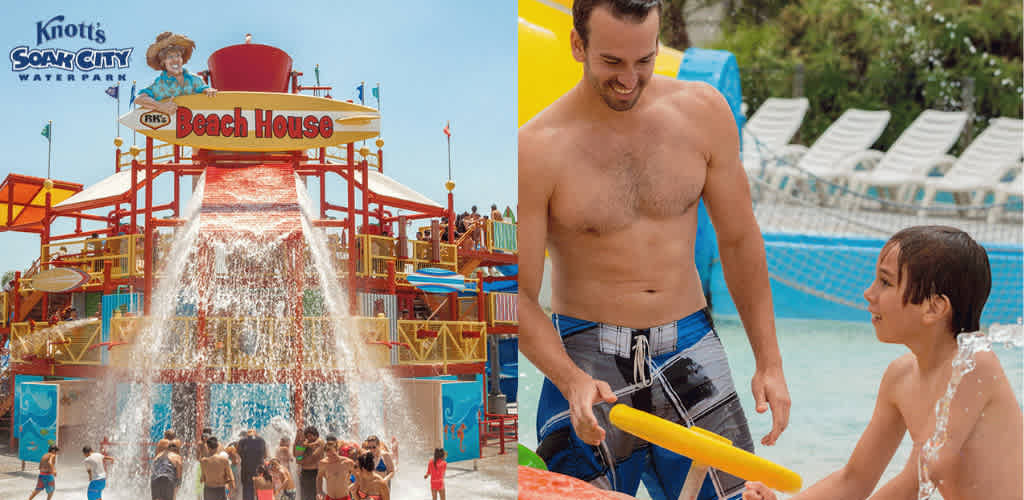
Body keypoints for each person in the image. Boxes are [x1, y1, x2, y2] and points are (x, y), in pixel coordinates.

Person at [517, 1, 791, 498]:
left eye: (644, 60)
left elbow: (739, 240)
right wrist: (571, 379)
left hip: (689, 344)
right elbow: (517, 298)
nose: (629, 78)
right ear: (577, 46)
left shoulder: (702, 113)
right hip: (586, 356)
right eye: (612, 62)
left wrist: (769, 362)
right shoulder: (538, 149)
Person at [743, 226, 1024, 499]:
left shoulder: (974, 366)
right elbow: (853, 480)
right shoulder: (900, 376)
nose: (869, 293)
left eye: (885, 282)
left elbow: (918, 481)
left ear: (934, 307)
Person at [134, 32, 217, 115]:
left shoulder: (195, 79)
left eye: (178, 55)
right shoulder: (160, 84)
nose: (175, 60)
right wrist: (161, 106)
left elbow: (205, 90)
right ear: (163, 62)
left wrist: (209, 91)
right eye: (170, 57)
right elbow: (139, 99)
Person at [237, 429, 267, 500]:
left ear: (247, 434)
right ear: (255, 434)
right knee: (260, 491)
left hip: (246, 471)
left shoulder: (242, 441)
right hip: (259, 471)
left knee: (247, 491)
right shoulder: (262, 441)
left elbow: (239, 453)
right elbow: (265, 455)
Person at [296, 426, 324, 500]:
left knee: (316, 496)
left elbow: (313, 457)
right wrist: (302, 445)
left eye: (311, 436)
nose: (309, 438)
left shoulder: (320, 442)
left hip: (315, 474)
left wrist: (303, 460)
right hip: (304, 474)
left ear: (316, 435)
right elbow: (298, 458)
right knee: (304, 497)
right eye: (307, 436)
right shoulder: (304, 444)